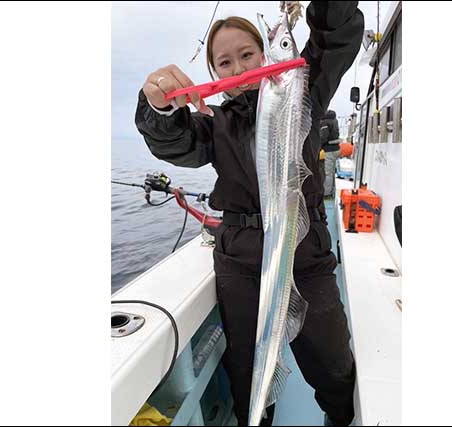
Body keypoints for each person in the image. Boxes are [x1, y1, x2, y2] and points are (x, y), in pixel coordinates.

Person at [135, 3, 363, 426]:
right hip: (240, 261)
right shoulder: (215, 123)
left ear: (266, 57)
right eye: (224, 62)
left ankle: (343, 419)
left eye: (248, 54)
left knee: (333, 364)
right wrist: (158, 107)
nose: (238, 65)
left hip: (305, 253)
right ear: (217, 76)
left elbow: (335, 37)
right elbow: (173, 141)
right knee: (248, 369)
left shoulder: (303, 91)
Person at [320, 110, 340, 197]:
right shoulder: (335, 120)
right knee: (333, 172)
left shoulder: (325, 122)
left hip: (329, 150)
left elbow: (323, 137)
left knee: (328, 173)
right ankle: (333, 191)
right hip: (337, 149)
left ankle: (327, 193)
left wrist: (318, 145)